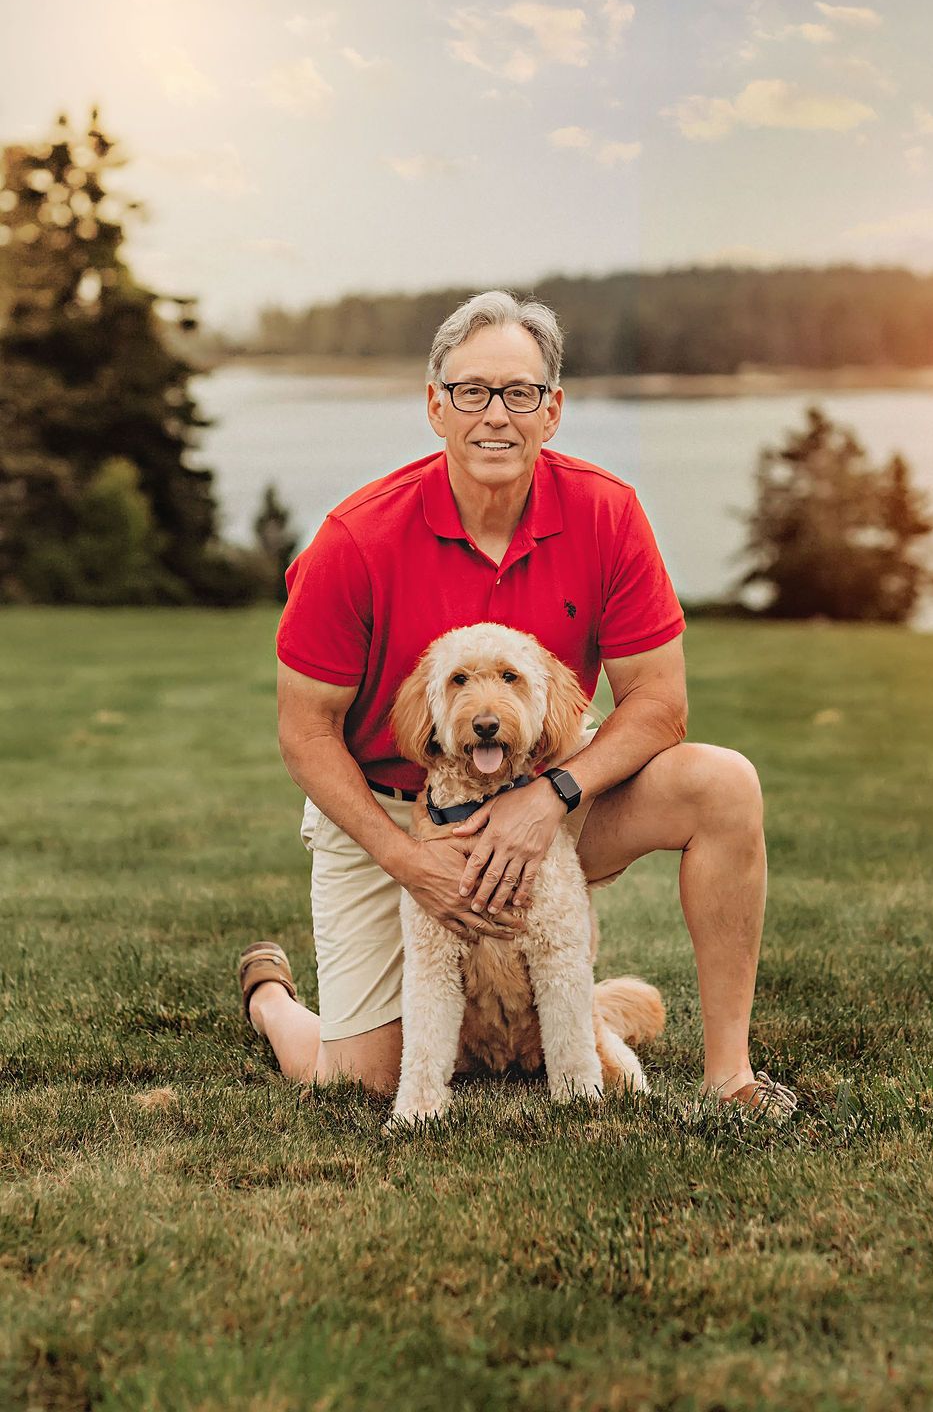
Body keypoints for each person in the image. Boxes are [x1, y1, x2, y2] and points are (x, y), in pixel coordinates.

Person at [238, 290, 796, 1120]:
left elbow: (660, 704)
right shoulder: (355, 539)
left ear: (553, 409)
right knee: (359, 1077)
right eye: (472, 392)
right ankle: (272, 998)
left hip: (555, 790)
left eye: (520, 393)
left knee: (724, 783)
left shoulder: (607, 512)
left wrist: (551, 798)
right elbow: (303, 732)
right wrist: (408, 858)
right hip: (396, 808)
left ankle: (730, 1076)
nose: (495, 416)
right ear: (436, 406)